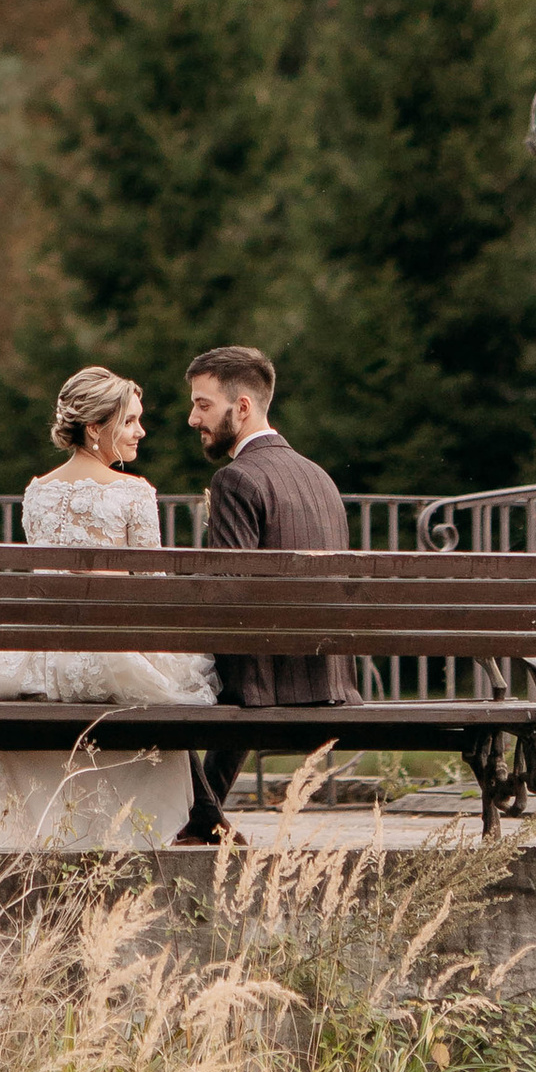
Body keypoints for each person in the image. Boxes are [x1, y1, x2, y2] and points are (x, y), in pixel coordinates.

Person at [0, 362, 216, 850]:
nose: (141, 430)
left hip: (35, 649)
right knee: (178, 684)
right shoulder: (134, 492)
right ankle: (110, 830)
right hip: (104, 651)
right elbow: (149, 589)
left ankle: (29, 826)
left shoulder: (38, 490)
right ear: (96, 428)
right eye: (130, 421)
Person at [183, 345, 352, 844]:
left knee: (152, 683)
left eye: (203, 404)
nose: (193, 418)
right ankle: (202, 823)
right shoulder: (320, 477)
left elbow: (230, 594)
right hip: (327, 678)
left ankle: (202, 818)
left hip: (266, 682)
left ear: (242, 408)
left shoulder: (236, 478)